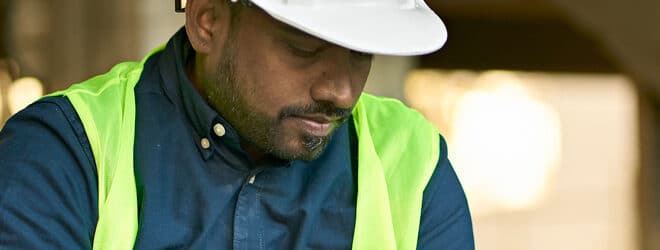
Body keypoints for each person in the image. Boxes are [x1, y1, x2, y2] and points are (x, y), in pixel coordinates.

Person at [0, 0, 474, 249]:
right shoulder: (63, 154)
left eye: (360, 55)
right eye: (305, 49)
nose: (342, 92)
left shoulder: (415, 169)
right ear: (207, 21)